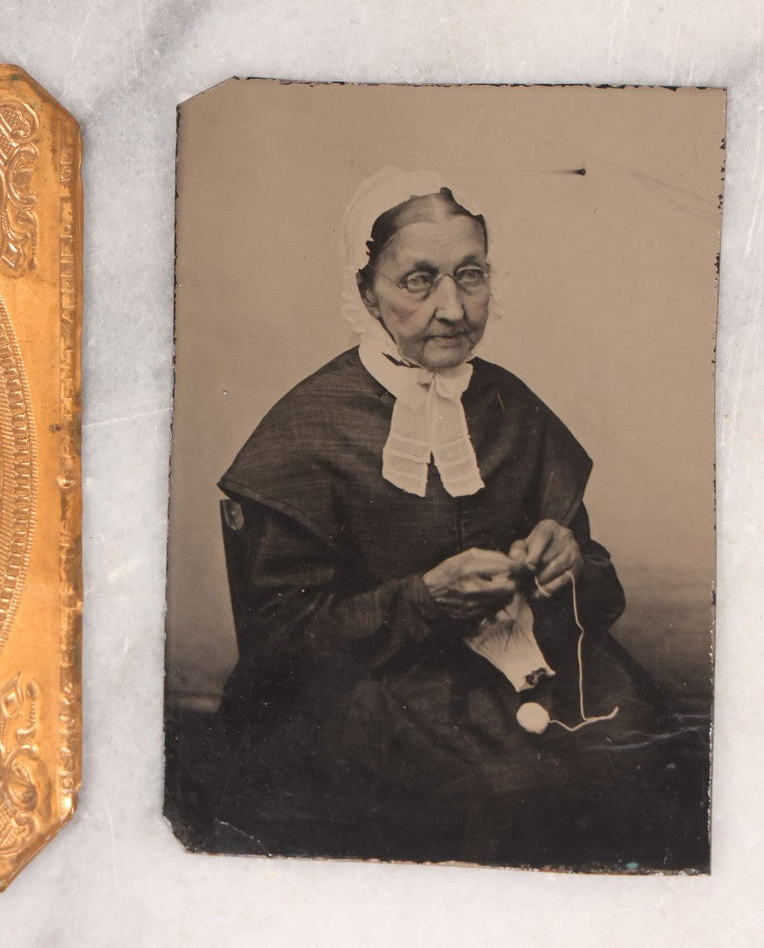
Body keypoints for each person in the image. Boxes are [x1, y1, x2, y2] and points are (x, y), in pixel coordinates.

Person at [212, 170, 708, 868]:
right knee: (505, 797)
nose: (453, 308)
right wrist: (421, 601)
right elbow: (277, 645)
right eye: (418, 280)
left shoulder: (512, 406)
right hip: (368, 692)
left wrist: (565, 565)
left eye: (469, 275)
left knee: (654, 754)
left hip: (528, 668)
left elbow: (600, 593)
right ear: (365, 293)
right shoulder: (304, 434)